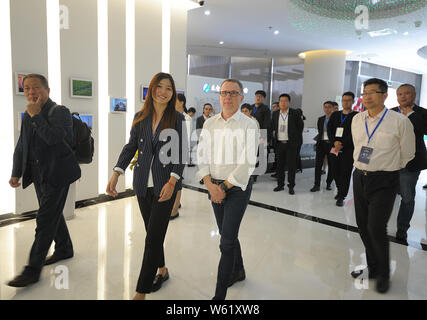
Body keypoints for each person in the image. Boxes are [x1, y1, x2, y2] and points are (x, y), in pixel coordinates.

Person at [106, 72, 186, 300]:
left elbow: (181, 154)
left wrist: (172, 182)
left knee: (151, 239)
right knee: (153, 233)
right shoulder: (140, 117)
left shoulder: (177, 119)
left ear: (173, 93)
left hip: (164, 186)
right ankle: (162, 270)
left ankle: (140, 292)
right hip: (142, 184)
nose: (163, 92)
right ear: (152, 89)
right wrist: (116, 173)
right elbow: (130, 146)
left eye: (168, 88)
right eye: (159, 87)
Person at [7, 74, 81, 287]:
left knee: (45, 220)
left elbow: (56, 140)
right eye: (27, 88)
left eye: (36, 87)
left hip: (58, 174)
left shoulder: (60, 112)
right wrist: (16, 172)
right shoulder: (28, 114)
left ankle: (32, 270)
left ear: (47, 90)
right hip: (39, 175)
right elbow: (23, 145)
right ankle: (64, 248)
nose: (31, 92)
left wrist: (37, 116)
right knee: (52, 214)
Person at [350, 78, 415, 293]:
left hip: (385, 180)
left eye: (373, 92)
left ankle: (384, 274)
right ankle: (373, 268)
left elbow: (408, 154)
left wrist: (387, 168)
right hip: (359, 177)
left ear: (384, 95)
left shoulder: (399, 121)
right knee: (363, 227)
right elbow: (358, 147)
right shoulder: (357, 119)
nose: (367, 96)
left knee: (376, 228)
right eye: (364, 92)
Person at [196, 79, 259, 300]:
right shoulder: (209, 124)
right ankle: (239, 270)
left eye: (233, 93)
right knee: (227, 234)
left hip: (237, 188)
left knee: (226, 243)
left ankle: (219, 297)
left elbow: (247, 163)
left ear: (242, 97)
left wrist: (222, 187)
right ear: (219, 96)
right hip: (214, 186)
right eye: (224, 93)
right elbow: (201, 155)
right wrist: (210, 184)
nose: (228, 97)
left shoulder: (249, 124)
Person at [391, 84, 427, 241]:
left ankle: (402, 228)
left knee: (407, 197)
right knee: (384, 195)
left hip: (411, 163)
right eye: (400, 94)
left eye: (407, 93)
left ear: (414, 95)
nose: (403, 96)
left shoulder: (422, 113)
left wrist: (411, 114)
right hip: (389, 161)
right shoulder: (390, 113)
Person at [327, 92, 357, 207]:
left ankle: (341, 196)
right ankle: (340, 190)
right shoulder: (335, 115)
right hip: (334, 148)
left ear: (353, 101)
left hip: (348, 149)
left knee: (345, 173)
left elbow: (355, 133)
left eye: (349, 100)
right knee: (334, 171)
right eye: (344, 100)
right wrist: (334, 141)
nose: (346, 102)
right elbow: (329, 129)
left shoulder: (356, 116)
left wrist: (343, 143)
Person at [272, 94, 304, 194]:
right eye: (281, 101)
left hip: (291, 144)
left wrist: (296, 142)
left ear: (289, 102)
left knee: (291, 166)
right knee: (279, 166)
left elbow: (300, 128)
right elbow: (273, 127)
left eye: (285, 101)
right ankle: (280, 185)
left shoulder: (295, 113)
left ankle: (291, 186)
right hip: (279, 143)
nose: (283, 103)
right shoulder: (275, 113)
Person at [170, 93, 191, 220]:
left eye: (175, 100)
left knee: (178, 180)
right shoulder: (171, 116)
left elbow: (185, 139)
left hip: (180, 153)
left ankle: (174, 209)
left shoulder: (186, 118)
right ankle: (176, 203)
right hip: (170, 153)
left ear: (181, 102)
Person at [310, 101, 335, 192]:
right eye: (325, 107)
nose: (327, 109)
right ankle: (316, 185)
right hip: (321, 144)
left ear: (332, 108)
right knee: (318, 165)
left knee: (332, 165)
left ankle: (329, 183)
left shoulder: (336, 119)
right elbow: (320, 132)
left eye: (329, 107)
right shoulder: (320, 119)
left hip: (332, 145)